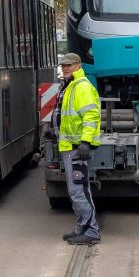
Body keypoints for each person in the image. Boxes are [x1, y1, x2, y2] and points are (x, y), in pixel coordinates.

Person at [56, 52, 101, 245]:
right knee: (76, 190)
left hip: (77, 148)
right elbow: (68, 117)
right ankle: (82, 227)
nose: (66, 68)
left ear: (79, 66)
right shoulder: (71, 86)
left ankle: (91, 230)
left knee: (79, 190)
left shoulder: (81, 86)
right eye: (63, 65)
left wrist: (85, 142)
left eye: (69, 65)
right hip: (71, 146)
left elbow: (91, 116)